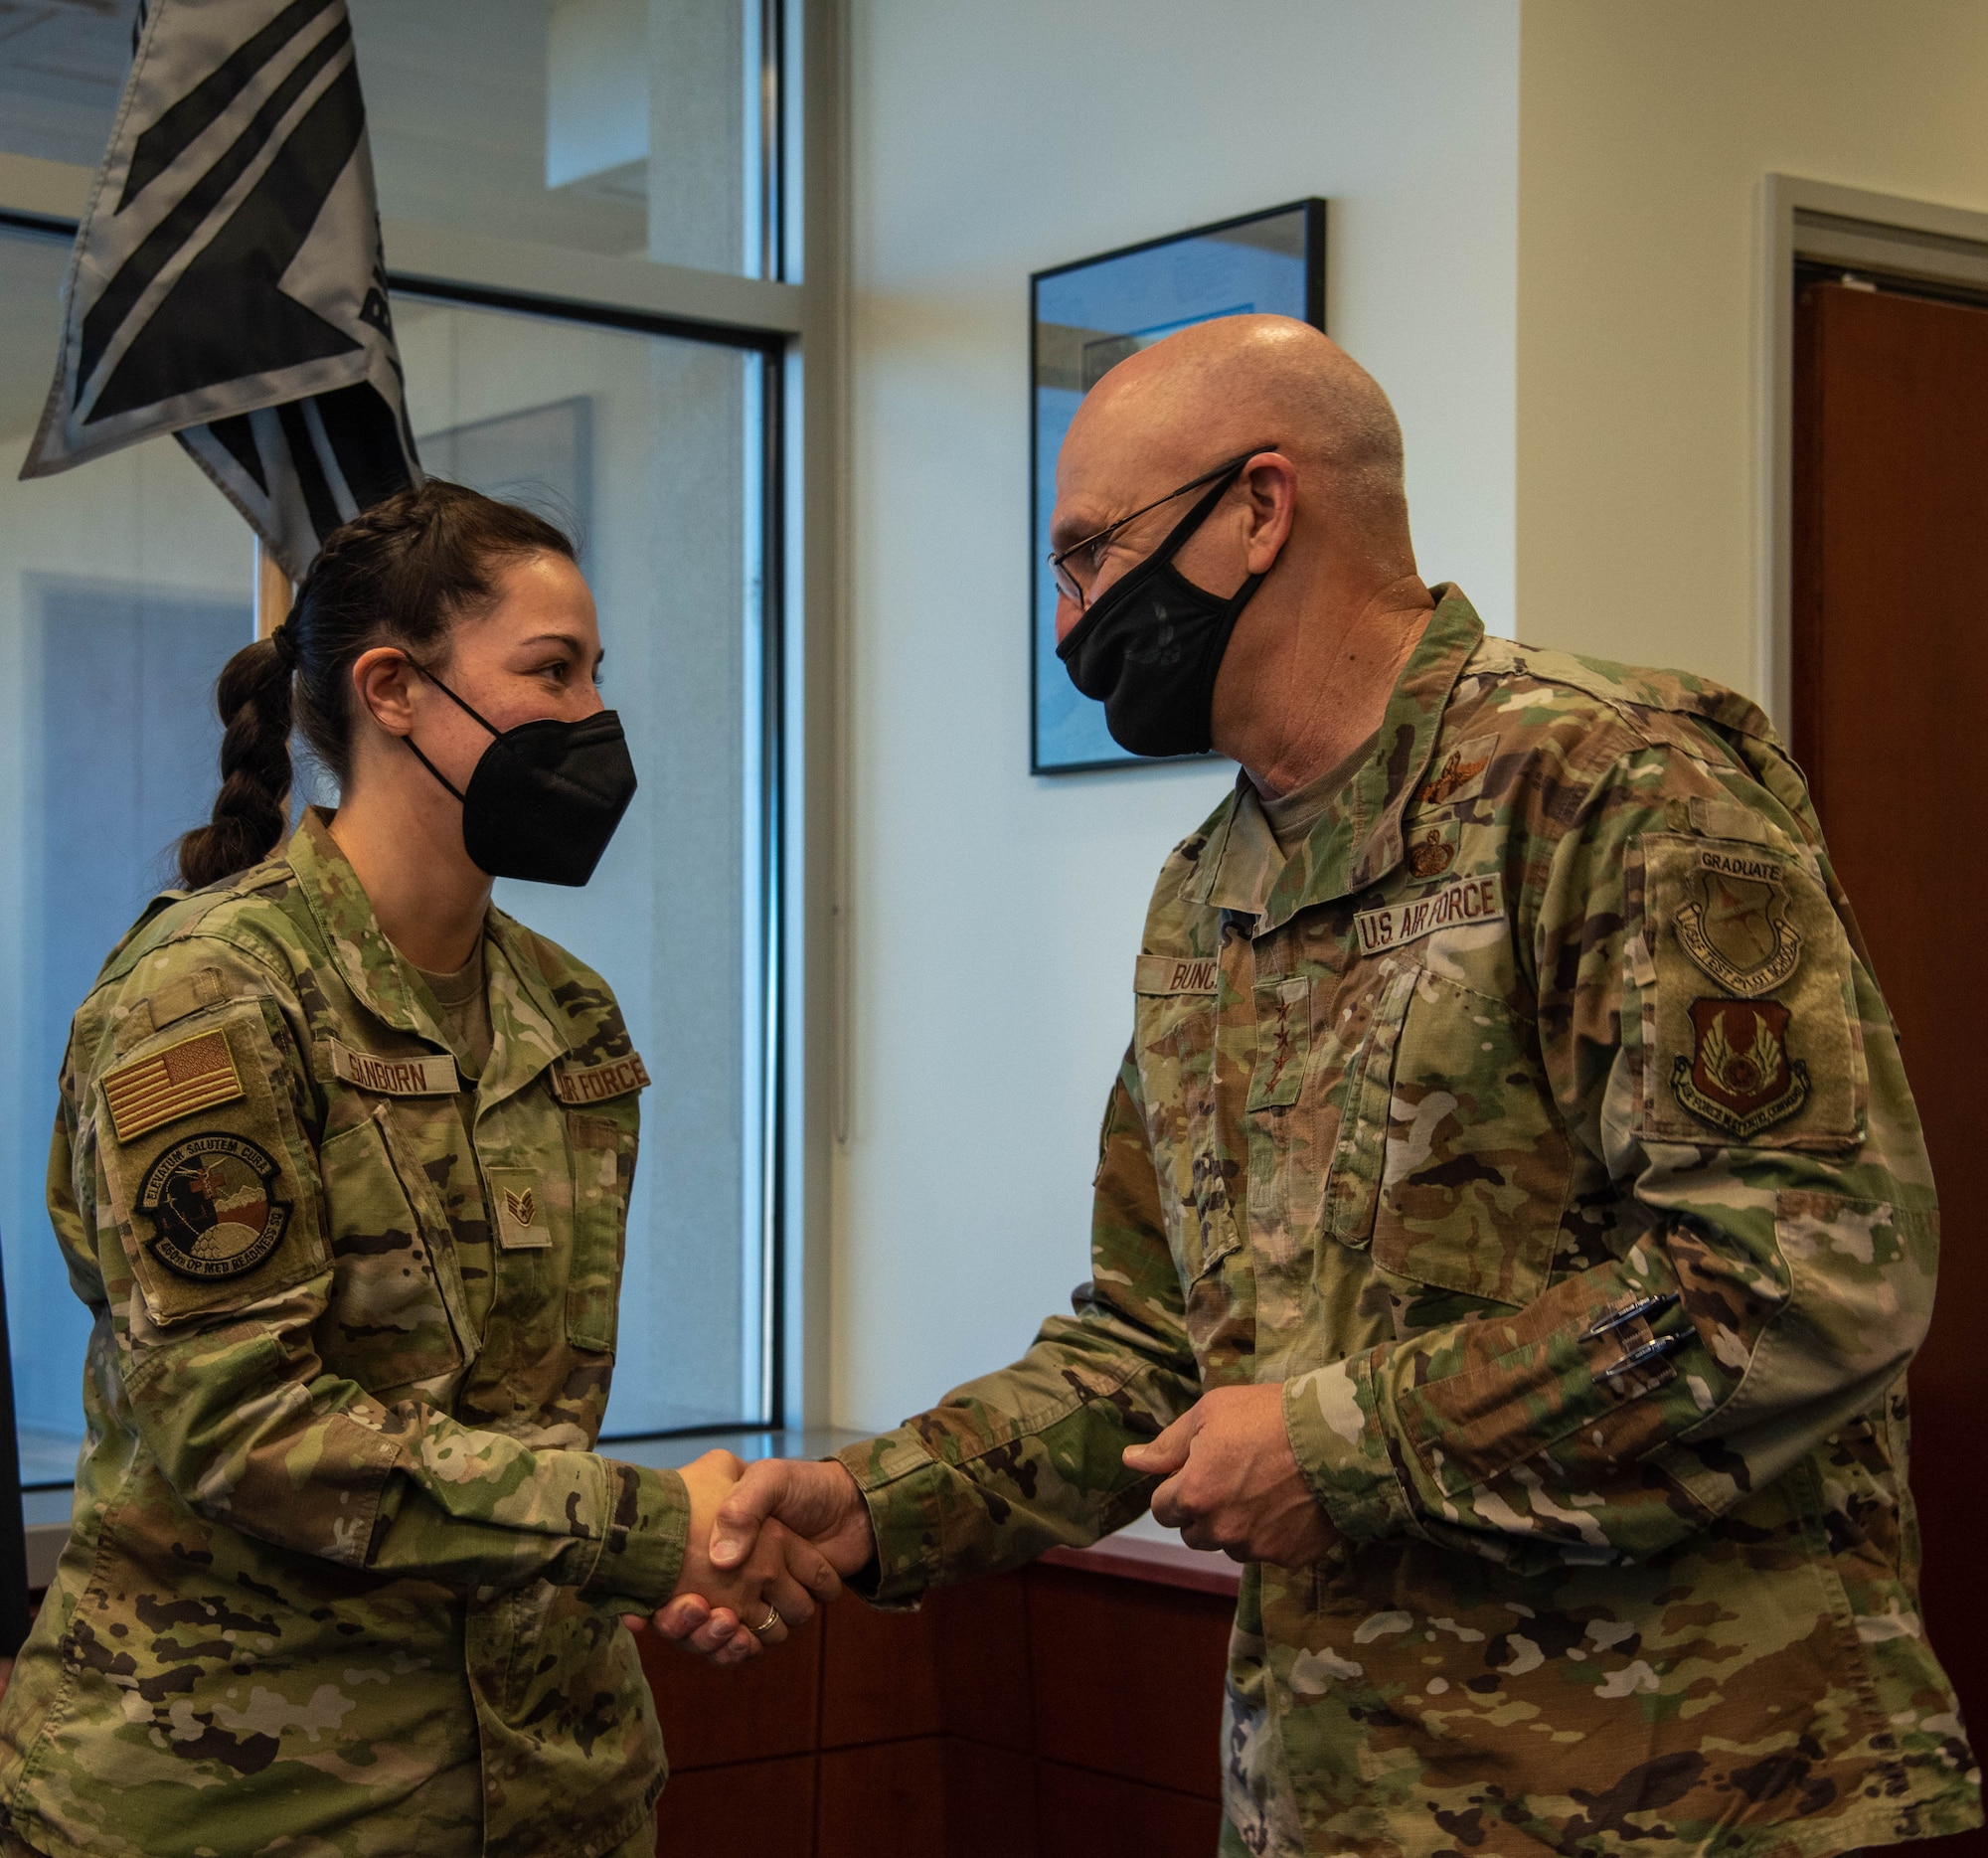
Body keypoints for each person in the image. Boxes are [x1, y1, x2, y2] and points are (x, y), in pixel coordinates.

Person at [657, 316, 1983, 1856]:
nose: (1072, 619)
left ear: (1259, 510)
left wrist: (1346, 1441)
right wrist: (877, 1501)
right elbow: (1161, 1344)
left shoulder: (1611, 786)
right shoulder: (1207, 891)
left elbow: (1802, 1270)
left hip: (1695, 1799)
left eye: (1090, 556)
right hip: (1346, 1796)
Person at [0, 482, 837, 1858]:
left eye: (595, 674)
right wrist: (633, 1526)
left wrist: (644, 1564)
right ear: (393, 688)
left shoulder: (569, 1016)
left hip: (545, 1788)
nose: (591, 719)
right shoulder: (212, 997)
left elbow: (512, 1426)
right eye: (549, 671)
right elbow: (239, 1425)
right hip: (251, 1803)